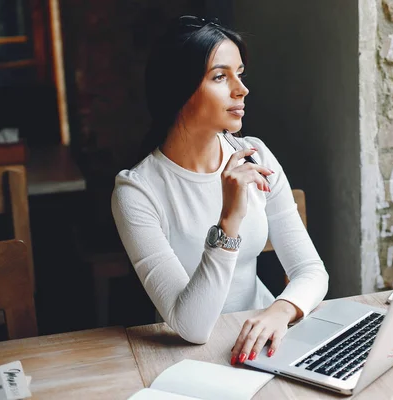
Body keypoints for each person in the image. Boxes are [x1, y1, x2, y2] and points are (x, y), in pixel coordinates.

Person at [111, 16, 329, 366]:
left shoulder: (256, 154)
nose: (241, 89)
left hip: (266, 341)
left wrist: (280, 310)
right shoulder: (137, 191)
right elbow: (192, 327)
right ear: (177, 89)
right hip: (183, 359)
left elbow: (312, 270)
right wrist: (229, 220)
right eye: (220, 76)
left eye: (240, 73)